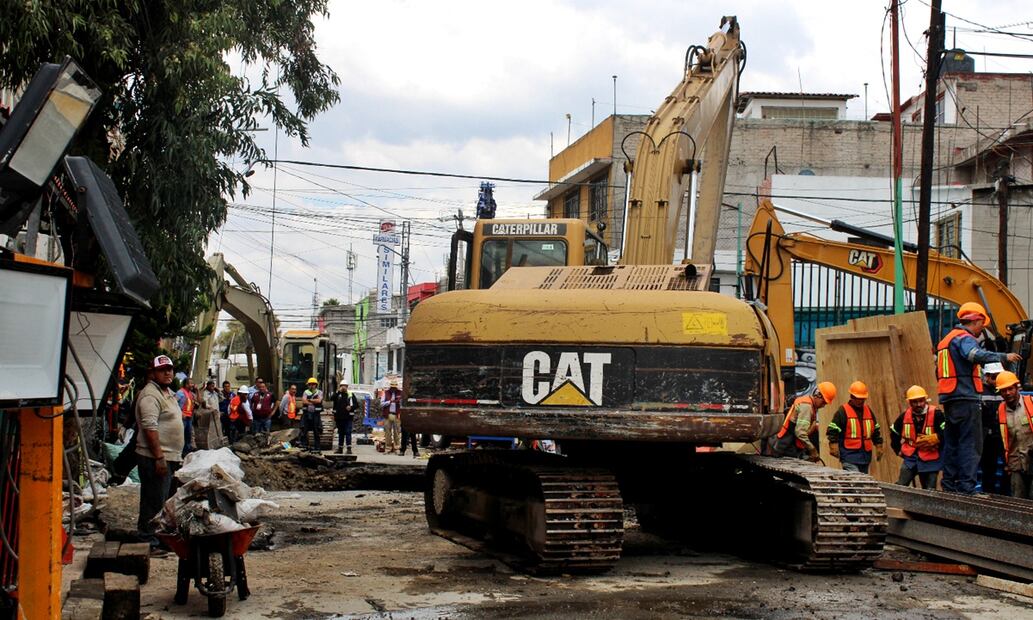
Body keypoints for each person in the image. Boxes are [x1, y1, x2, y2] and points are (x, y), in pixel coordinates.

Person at [936, 302, 1021, 494]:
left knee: (952, 443)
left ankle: (949, 485)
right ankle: (966, 487)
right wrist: (1003, 356)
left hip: (950, 397)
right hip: (966, 396)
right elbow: (974, 355)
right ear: (975, 320)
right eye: (982, 324)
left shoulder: (945, 341)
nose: (982, 329)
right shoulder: (964, 338)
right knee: (970, 443)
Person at [135, 355, 185, 548]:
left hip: (169, 456)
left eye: (169, 369)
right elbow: (150, 428)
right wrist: (159, 457)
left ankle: (161, 537)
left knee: (165, 500)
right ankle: (148, 539)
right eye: (162, 370)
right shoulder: (150, 395)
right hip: (155, 457)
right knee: (153, 500)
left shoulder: (167, 393)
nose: (167, 373)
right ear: (153, 373)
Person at [890, 385, 944, 489]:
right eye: (915, 402)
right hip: (911, 457)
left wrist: (938, 437)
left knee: (930, 490)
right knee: (901, 485)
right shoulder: (904, 416)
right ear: (910, 402)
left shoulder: (936, 414)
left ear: (925, 400)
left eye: (921, 401)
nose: (918, 404)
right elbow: (894, 432)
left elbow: (946, 432)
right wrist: (898, 450)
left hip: (930, 457)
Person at [769, 382, 837, 462]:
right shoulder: (806, 406)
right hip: (786, 448)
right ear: (818, 395)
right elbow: (800, 433)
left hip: (790, 446)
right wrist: (812, 449)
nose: (823, 406)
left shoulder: (808, 403)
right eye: (823, 402)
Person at [827, 381, 884, 474]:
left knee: (863, 480)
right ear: (852, 397)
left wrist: (879, 446)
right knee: (855, 477)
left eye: (862, 399)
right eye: (858, 398)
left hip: (865, 456)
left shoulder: (868, 411)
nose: (860, 401)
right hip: (849, 455)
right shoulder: (843, 411)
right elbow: (833, 429)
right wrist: (833, 444)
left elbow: (875, 430)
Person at [994, 371, 1033, 499]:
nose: (1007, 393)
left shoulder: (1031, 403)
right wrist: (1006, 464)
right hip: (1015, 464)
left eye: (1010, 389)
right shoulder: (1000, 411)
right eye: (1003, 390)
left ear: (1017, 387)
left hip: (1032, 459)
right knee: (1018, 500)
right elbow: (1001, 440)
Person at [979, 362, 1006, 493]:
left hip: (1002, 434)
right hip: (987, 436)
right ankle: (988, 493)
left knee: (1006, 467)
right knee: (988, 467)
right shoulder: (980, 391)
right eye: (994, 377)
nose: (996, 380)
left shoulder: (1004, 389)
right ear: (987, 376)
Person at [193, 379, 226, 450]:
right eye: (211, 386)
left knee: (219, 430)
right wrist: (210, 408)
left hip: (217, 415)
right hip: (210, 415)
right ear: (207, 386)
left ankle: (219, 443)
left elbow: (222, 399)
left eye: (214, 386)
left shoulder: (215, 393)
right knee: (212, 432)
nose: (213, 387)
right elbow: (205, 404)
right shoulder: (205, 393)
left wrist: (219, 391)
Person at [331, 381, 359, 454]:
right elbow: (332, 398)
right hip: (339, 417)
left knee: (348, 432)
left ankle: (349, 449)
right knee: (341, 433)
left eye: (345, 386)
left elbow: (356, 404)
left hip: (348, 417)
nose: (343, 387)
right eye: (342, 386)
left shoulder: (350, 394)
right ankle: (340, 448)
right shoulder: (337, 394)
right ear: (340, 386)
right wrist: (338, 392)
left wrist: (351, 407)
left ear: (347, 387)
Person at [300, 378, 324, 452]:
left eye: (313, 384)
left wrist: (309, 400)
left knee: (316, 431)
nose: (311, 386)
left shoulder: (319, 392)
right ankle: (304, 446)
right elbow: (304, 401)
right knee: (304, 430)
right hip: (306, 414)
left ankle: (317, 447)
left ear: (316, 385)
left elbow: (319, 400)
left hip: (315, 414)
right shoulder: (305, 392)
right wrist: (314, 402)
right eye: (310, 384)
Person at [176, 377, 196, 457]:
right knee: (181, 435)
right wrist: (180, 413)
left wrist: (198, 390)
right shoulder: (180, 392)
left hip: (189, 417)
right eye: (191, 383)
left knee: (188, 435)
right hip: (182, 418)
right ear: (186, 384)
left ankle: (186, 452)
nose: (193, 385)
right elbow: (174, 403)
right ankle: (179, 452)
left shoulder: (190, 393)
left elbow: (198, 401)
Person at [382, 381, 403, 455]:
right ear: (390, 386)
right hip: (387, 415)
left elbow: (403, 404)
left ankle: (397, 448)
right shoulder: (385, 393)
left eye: (394, 387)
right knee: (387, 432)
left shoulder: (400, 393)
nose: (393, 388)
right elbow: (381, 404)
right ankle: (388, 448)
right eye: (392, 387)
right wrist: (389, 402)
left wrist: (399, 402)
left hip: (397, 415)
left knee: (397, 432)